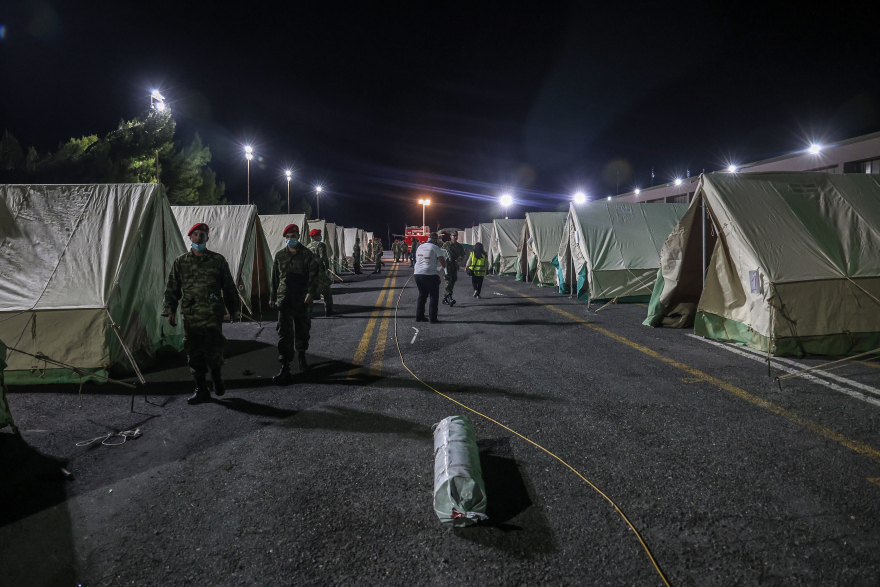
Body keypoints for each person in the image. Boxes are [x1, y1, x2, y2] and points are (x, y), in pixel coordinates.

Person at [163, 223, 240, 404]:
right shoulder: (181, 262)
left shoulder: (217, 261)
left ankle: (216, 377)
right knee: (193, 351)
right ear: (190, 237)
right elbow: (172, 288)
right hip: (191, 315)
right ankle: (201, 388)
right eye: (196, 234)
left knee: (213, 349)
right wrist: (170, 310)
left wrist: (234, 309)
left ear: (207, 238)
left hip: (212, 313)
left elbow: (228, 286)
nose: (199, 238)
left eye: (202, 235)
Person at [269, 224, 320, 385]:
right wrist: (272, 297)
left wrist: (311, 293)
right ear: (285, 238)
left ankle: (301, 355)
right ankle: (285, 366)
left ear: (298, 237)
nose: (291, 239)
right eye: (289, 236)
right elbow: (275, 278)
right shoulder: (279, 256)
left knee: (302, 328)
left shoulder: (306, 254)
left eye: (294, 236)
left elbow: (313, 275)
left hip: (301, 299)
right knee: (284, 332)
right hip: (284, 299)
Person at [414, 232, 446, 323]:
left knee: (422, 295)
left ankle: (419, 316)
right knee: (433, 296)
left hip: (417, 273)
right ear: (436, 239)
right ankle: (433, 318)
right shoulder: (435, 247)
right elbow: (443, 263)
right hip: (429, 274)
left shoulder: (420, 247)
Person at [307, 228, 335, 317]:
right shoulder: (321, 245)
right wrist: (326, 268)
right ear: (315, 236)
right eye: (319, 235)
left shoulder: (307, 246)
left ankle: (309, 312)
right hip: (320, 273)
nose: (320, 236)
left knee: (311, 292)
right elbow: (324, 258)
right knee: (327, 292)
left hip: (311, 273)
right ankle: (328, 311)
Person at [441, 230, 465, 307]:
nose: (455, 237)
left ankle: (445, 298)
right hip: (447, 266)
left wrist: (459, 259)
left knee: (453, 281)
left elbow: (463, 255)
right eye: (453, 236)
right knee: (448, 281)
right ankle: (449, 298)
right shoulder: (446, 244)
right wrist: (446, 259)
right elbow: (441, 253)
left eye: (456, 236)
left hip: (454, 266)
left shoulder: (459, 246)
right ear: (450, 236)